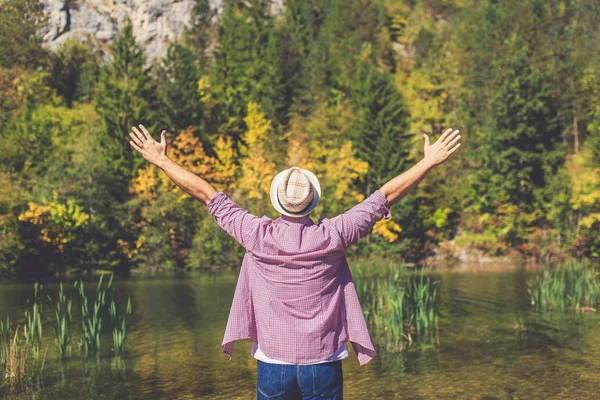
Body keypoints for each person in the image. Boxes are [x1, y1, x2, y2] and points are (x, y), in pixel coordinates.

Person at [129, 125, 461, 399]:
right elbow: (385, 196)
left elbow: (206, 193)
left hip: (274, 363)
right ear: (311, 202)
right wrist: (428, 162)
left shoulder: (255, 233)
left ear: (279, 200)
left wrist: (162, 161)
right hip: (323, 362)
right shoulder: (334, 234)